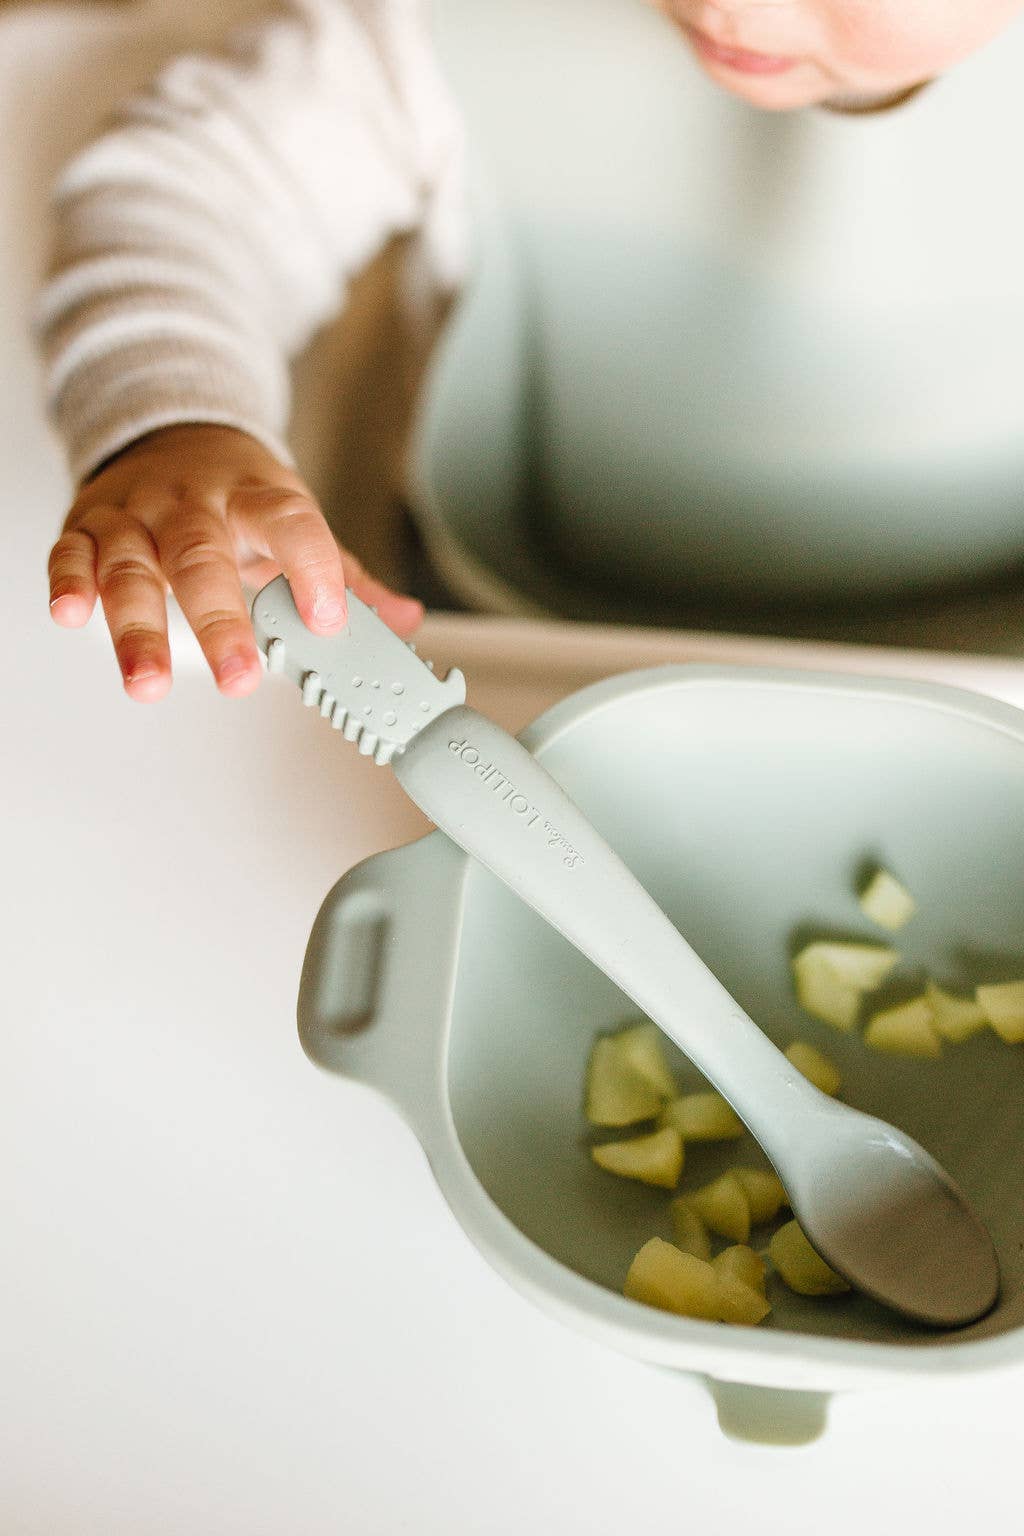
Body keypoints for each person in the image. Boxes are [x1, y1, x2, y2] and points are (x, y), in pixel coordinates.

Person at [38, 0, 1024, 700]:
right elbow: (195, 189)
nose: (735, 7)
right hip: (512, 638)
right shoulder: (431, 31)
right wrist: (176, 419)